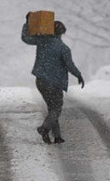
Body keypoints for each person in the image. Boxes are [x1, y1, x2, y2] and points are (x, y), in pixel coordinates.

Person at [21, 16, 84, 144]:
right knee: (57, 108)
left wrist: (27, 24)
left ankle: (57, 136)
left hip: (40, 81)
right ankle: (44, 128)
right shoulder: (63, 48)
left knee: (52, 108)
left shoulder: (42, 41)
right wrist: (79, 75)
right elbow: (70, 66)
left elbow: (25, 38)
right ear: (62, 33)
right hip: (54, 83)